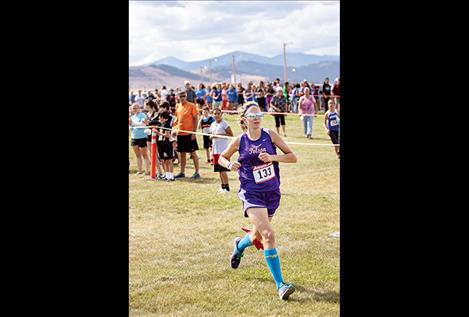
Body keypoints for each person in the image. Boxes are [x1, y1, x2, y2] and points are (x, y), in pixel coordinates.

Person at [218, 101, 297, 300]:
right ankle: (281, 285)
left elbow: (292, 157)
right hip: (250, 192)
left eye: (258, 114)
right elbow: (222, 157)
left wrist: (272, 157)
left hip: (271, 192)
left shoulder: (270, 135)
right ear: (244, 119)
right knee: (269, 234)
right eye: (252, 115)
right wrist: (230, 164)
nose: (256, 118)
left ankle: (239, 246)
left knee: (257, 238)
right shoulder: (239, 140)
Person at [174, 91, 201, 179]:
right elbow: (177, 119)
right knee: (182, 153)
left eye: (184, 96)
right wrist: (172, 128)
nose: (182, 98)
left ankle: (197, 172)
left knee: (193, 153)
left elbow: (196, 119)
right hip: (180, 133)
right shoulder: (177, 106)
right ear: (178, 97)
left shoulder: (192, 105)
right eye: (181, 96)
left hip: (189, 133)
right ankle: (182, 172)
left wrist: (194, 131)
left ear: (186, 96)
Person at [209, 108, 233, 193]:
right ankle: (222, 186)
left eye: (218, 113)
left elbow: (230, 135)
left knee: (223, 170)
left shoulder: (224, 124)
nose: (216, 115)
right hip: (215, 150)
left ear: (221, 114)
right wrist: (211, 137)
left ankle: (227, 188)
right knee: (219, 170)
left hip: (223, 150)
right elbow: (210, 136)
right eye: (215, 114)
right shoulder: (212, 124)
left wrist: (219, 135)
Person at [145, 100, 165, 179]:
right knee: (151, 154)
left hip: (155, 135)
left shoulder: (156, 114)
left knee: (156, 154)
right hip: (148, 135)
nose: (145, 107)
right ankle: (157, 171)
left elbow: (159, 123)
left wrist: (149, 123)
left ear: (151, 106)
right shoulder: (147, 114)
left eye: (146, 105)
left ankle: (162, 172)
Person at [129, 103, 151, 175]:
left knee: (145, 155)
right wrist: (131, 127)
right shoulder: (132, 117)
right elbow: (131, 127)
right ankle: (140, 171)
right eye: (133, 108)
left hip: (142, 137)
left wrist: (133, 123)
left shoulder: (143, 115)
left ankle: (147, 171)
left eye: (136, 108)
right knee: (137, 155)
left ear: (139, 108)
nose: (134, 109)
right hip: (134, 137)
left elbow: (142, 124)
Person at [156, 110, 175, 181]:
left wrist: (158, 133)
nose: (159, 119)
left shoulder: (167, 124)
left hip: (167, 144)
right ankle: (167, 175)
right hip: (162, 144)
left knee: (168, 160)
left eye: (160, 117)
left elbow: (167, 135)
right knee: (164, 160)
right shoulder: (161, 124)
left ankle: (171, 176)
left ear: (163, 117)